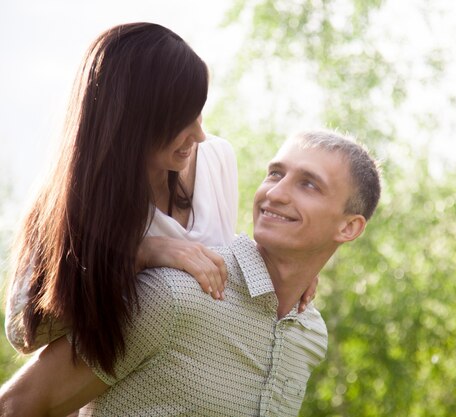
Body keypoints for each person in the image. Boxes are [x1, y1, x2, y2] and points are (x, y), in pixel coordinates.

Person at [3, 22, 315, 377]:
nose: (198, 133)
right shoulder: (70, 201)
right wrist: (140, 254)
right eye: (180, 120)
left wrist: (287, 266)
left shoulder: (215, 159)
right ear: (130, 123)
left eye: (199, 112)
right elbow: (24, 333)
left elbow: (222, 268)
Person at [0, 130, 382, 416]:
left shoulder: (310, 333)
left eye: (308, 185)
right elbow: (19, 406)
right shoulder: (177, 294)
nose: (275, 194)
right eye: (274, 174)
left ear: (349, 228)